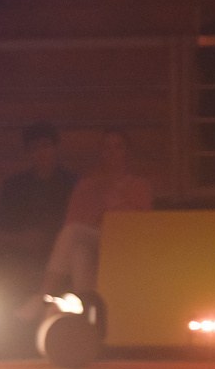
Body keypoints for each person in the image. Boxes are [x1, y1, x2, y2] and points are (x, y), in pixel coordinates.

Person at [44, 128, 153, 298]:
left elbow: (142, 222)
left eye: (118, 147)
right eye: (107, 148)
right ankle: (88, 304)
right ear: (101, 152)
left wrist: (116, 205)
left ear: (126, 151)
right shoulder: (86, 186)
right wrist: (101, 210)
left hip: (125, 243)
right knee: (78, 249)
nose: (112, 152)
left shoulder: (140, 186)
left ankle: (45, 293)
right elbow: (72, 222)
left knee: (75, 239)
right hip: (93, 239)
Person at [0, 123, 77, 270]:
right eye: (34, 148)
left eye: (45, 146)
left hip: (62, 258)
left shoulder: (73, 184)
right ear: (28, 153)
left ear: (56, 148)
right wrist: (22, 240)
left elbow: (77, 228)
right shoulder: (13, 186)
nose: (41, 153)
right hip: (19, 260)